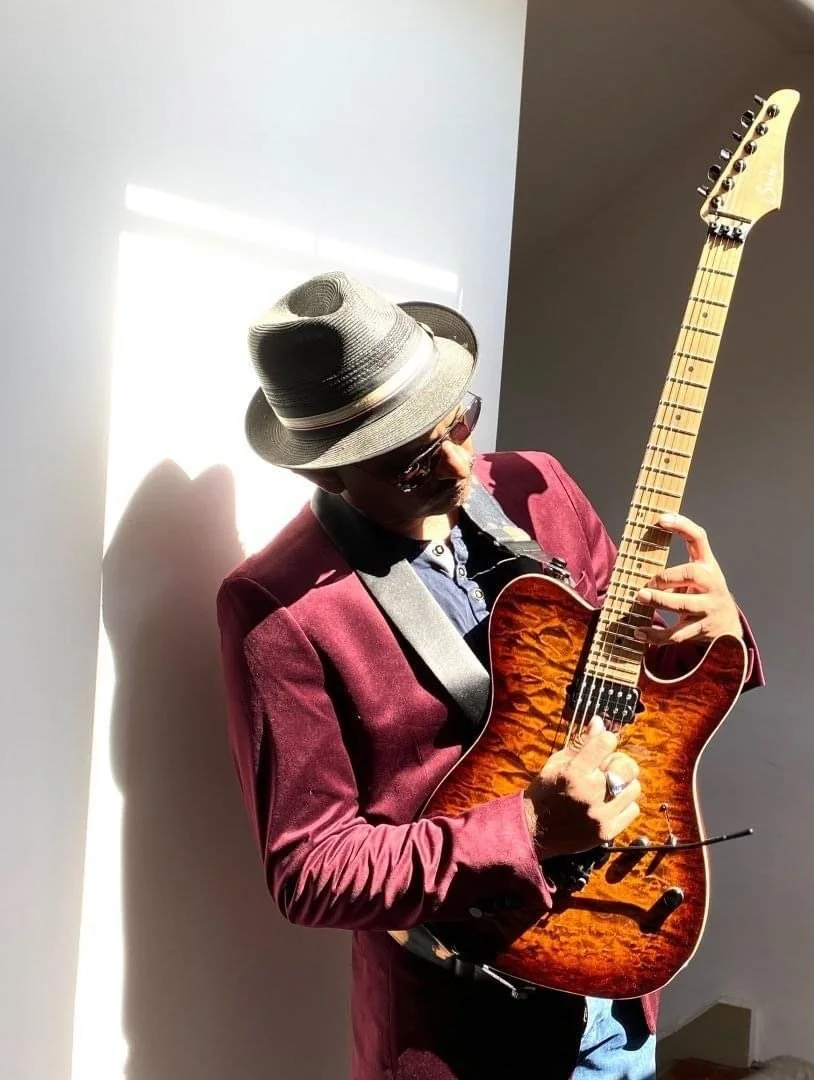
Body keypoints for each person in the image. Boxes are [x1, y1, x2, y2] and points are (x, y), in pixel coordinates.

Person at [217, 271, 764, 1080]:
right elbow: (310, 871)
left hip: (624, 972)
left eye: (458, 423)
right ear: (325, 473)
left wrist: (712, 635)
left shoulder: (538, 487)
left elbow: (627, 685)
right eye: (410, 461)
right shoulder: (277, 606)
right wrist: (528, 831)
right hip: (468, 1028)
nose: (457, 464)